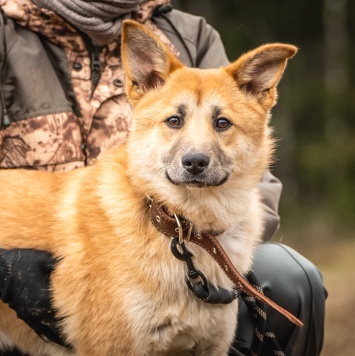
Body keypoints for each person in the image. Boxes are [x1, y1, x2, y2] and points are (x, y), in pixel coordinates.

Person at [0, 0, 326, 355]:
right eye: (174, 121)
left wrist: (219, 242)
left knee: (291, 276)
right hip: (107, 231)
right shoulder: (7, 33)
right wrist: (5, 273)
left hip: (212, 242)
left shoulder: (190, 33)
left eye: (221, 124)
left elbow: (252, 175)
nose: (196, 153)